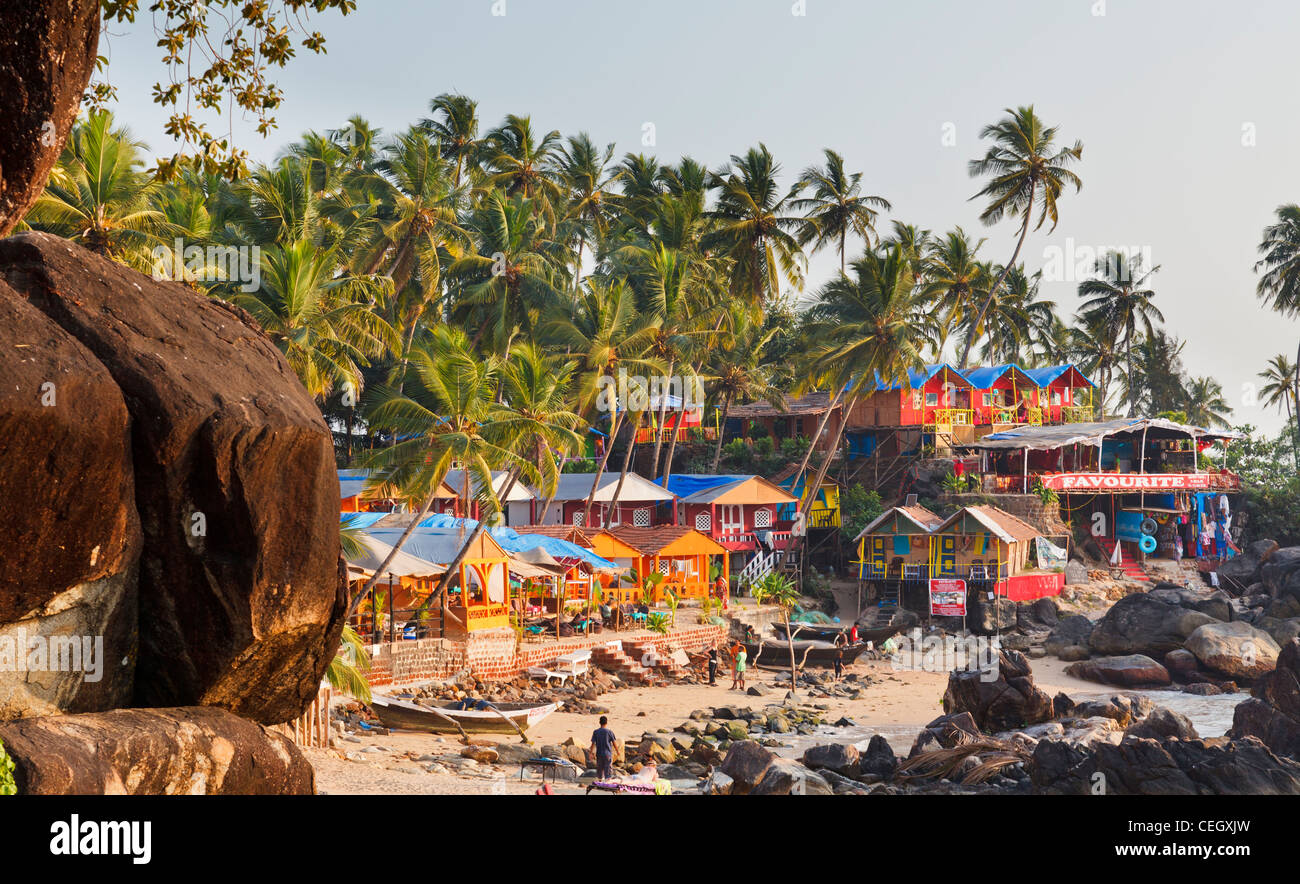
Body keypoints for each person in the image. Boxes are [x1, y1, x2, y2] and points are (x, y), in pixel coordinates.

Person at [589, 715, 618, 781]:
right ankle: (607, 782)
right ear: (606, 723)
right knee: (608, 771)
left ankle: (600, 782)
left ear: (599, 722)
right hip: (607, 754)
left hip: (599, 754)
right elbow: (614, 743)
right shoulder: (609, 732)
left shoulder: (596, 732)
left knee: (599, 770)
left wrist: (590, 753)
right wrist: (617, 751)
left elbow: (593, 743)